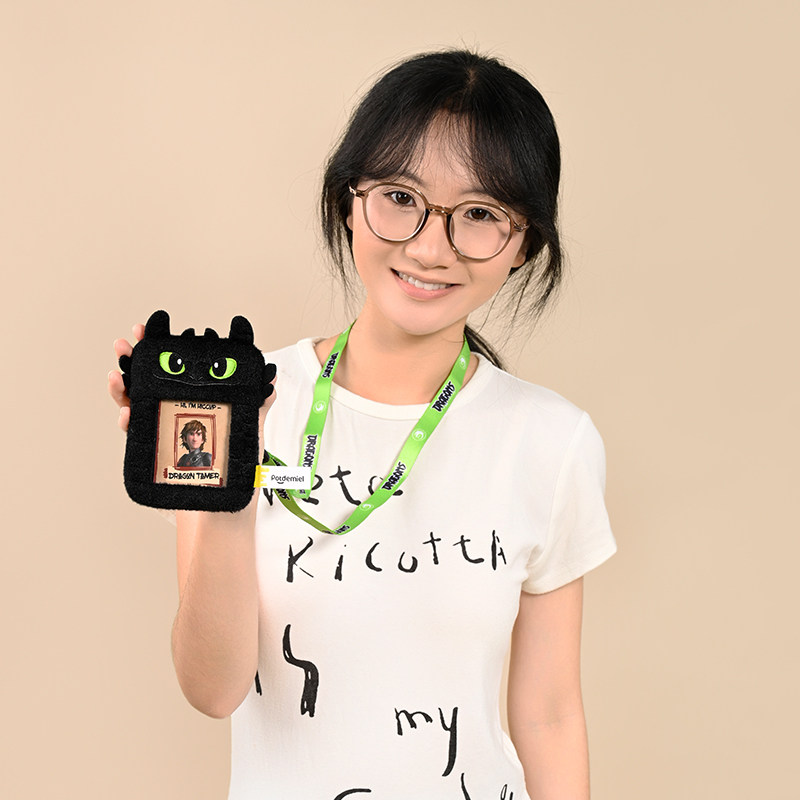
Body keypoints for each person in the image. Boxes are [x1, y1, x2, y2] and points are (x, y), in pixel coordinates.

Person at [109, 49, 616, 800]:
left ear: (523, 245)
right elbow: (213, 690)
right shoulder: (245, 402)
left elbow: (548, 715)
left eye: (480, 214)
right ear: (349, 201)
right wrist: (229, 480)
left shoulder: (551, 440)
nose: (430, 248)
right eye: (400, 198)